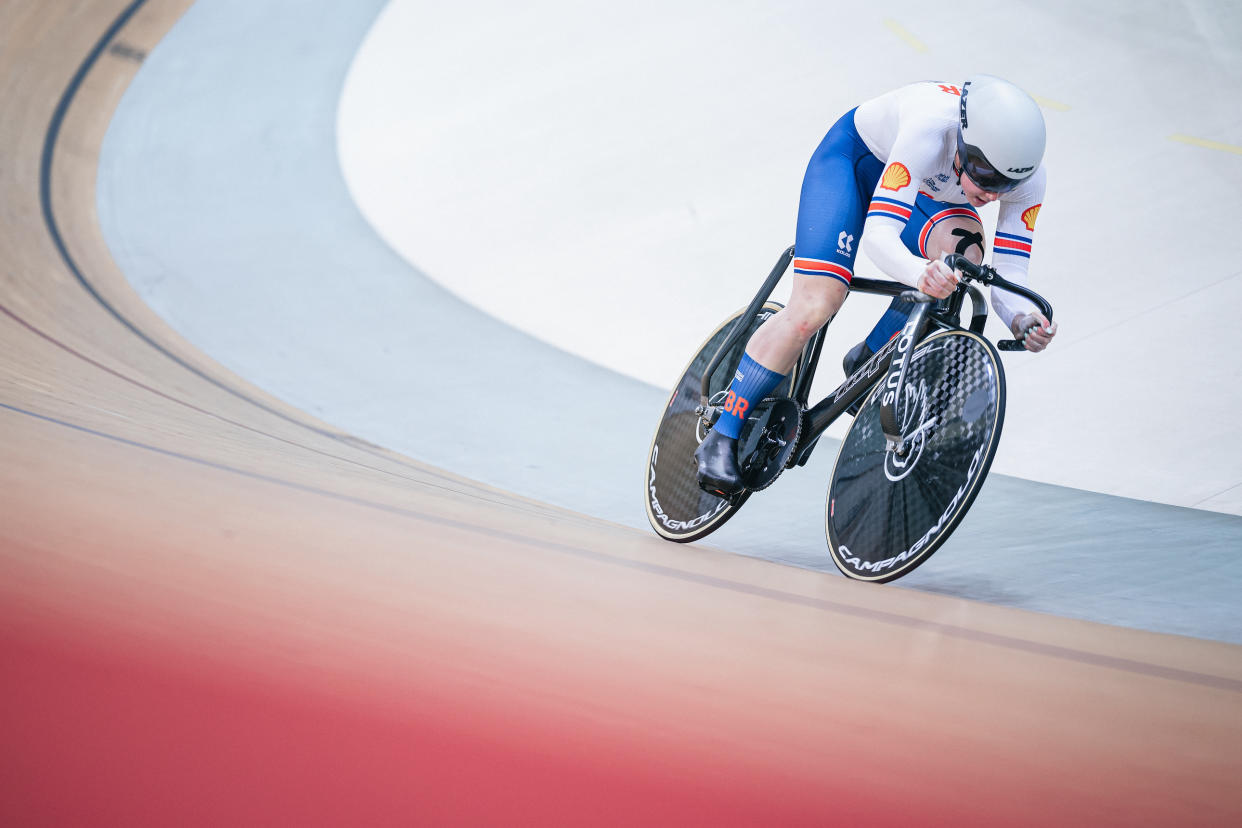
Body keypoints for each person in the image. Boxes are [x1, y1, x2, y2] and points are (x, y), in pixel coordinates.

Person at [695, 75, 1058, 496]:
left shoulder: (1029, 177)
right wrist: (919, 273)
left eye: (1006, 185)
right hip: (854, 166)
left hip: (925, 192)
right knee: (817, 305)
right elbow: (879, 236)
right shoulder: (927, 130)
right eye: (981, 174)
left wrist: (1022, 317)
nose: (991, 195)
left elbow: (1010, 272)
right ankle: (724, 431)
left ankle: (870, 358)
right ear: (961, 141)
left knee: (965, 258)